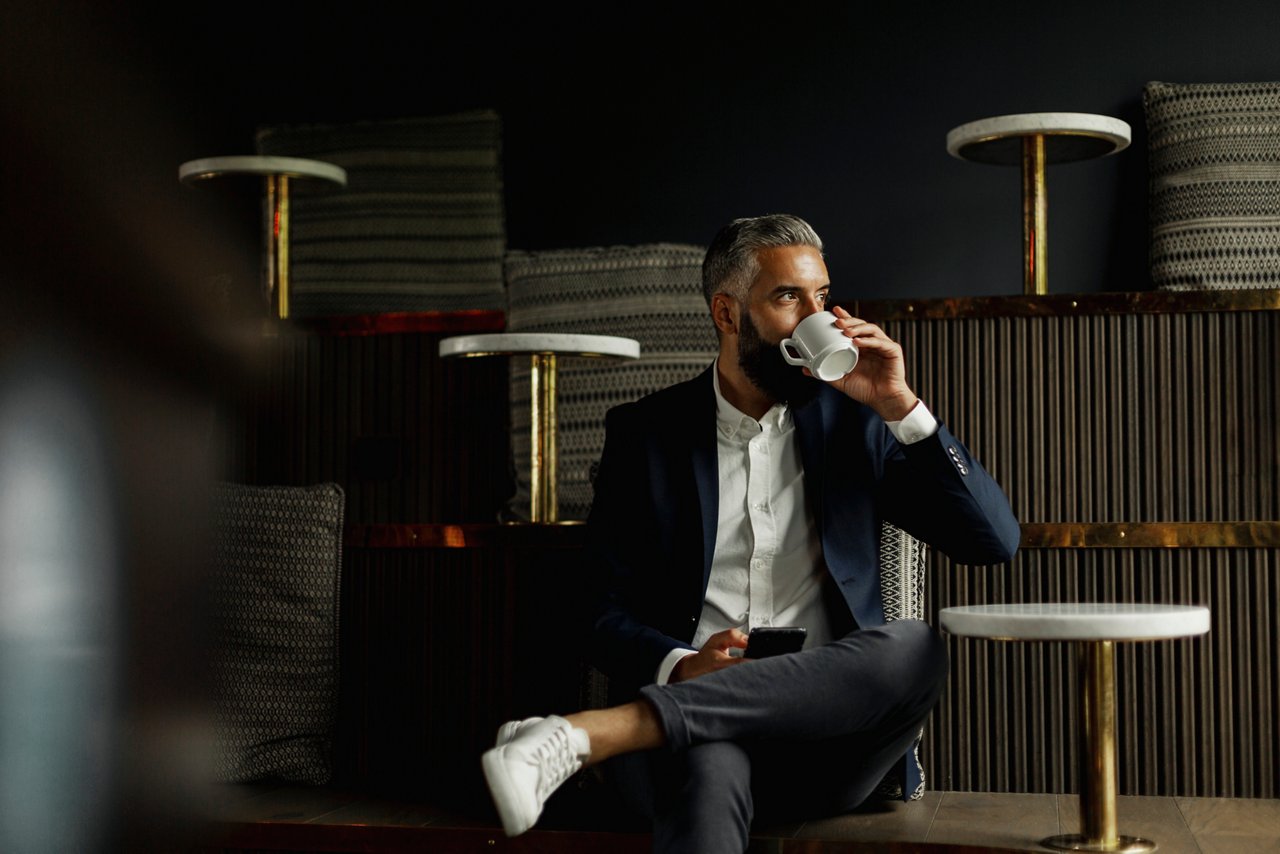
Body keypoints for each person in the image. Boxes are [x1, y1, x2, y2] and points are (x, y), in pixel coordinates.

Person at [482, 214, 1020, 852]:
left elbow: (993, 541)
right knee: (708, 757)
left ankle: (589, 734)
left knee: (916, 648)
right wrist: (683, 667)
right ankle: (656, 724)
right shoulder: (646, 436)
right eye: (789, 297)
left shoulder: (859, 426)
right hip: (697, 746)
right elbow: (597, 609)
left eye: (822, 296)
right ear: (728, 313)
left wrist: (902, 406)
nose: (816, 315)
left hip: (831, 743)